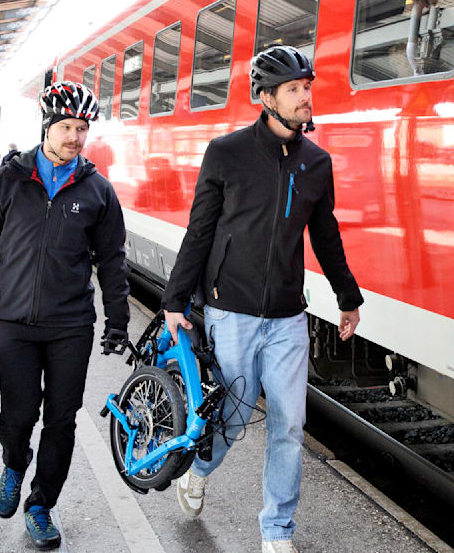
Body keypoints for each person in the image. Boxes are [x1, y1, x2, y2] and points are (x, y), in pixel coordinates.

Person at [161, 45, 363, 553]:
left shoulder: (316, 162)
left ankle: (277, 529)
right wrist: (174, 301)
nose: (305, 98)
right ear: (266, 96)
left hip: (287, 315)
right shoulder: (226, 153)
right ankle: (199, 469)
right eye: (294, 90)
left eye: (307, 88)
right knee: (231, 416)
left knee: (289, 424)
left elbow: (325, 233)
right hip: (231, 309)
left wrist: (347, 295)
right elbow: (200, 231)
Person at [0, 81, 129, 551]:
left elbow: (112, 262)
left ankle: (41, 504)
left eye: (82, 128)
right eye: (67, 127)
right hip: (13, 323)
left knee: (62, 420)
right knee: (20, 414)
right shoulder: (6, 182)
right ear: (47, 128)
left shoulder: (98, 191)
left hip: (70, 325)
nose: (75, 137)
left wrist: (117, 321)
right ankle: (13, 464)